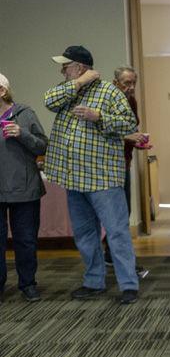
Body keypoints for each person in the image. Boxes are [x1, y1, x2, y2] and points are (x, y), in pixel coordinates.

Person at [44, 45, 140, 304]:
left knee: (117, 232)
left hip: (103, 179)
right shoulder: (67, 92)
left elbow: (129, 123)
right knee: (85, 234)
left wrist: (98, 116)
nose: (62, 69)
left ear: (80, 66)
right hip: (74, 178)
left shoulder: (109, 92)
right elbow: (48, 100)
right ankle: (93, 281)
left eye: (67, 65)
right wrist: (79, 83)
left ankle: (129, 284)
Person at [0, 73, 48, 303]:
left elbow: (42, 145)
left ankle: (28, 284)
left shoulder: (25, 113)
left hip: (24, 189)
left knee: (25, 239)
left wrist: (22, 133)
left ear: (2, 91)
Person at [102, 65, 149, 279]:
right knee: (118, 216)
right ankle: (120, 262)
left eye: (133, 83)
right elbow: (101, 133)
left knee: (125, 212)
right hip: (107, 165)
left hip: (124, 162)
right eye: (126, 83)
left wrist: (137, 140)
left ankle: (111, 255)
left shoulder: (131, 101)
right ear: (115, 83)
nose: (130, 88)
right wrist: (127, 137)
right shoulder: (106, 101)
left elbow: (129, 129)